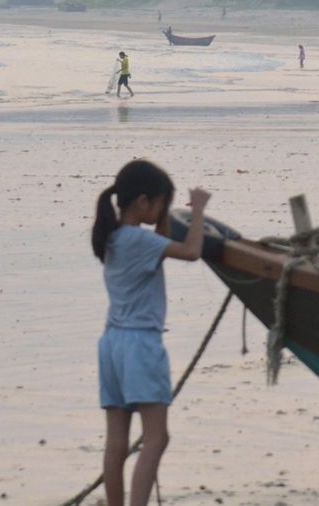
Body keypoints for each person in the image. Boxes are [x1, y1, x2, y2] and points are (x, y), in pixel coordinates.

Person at [92, 160, 211, 506]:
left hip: (111, 343)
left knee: (116, 443)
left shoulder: (114, 236)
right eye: (161, 204)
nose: (163, 212)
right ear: (143, 202)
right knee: (156, 438)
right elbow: (191, 252)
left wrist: (164, 214)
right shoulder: (137, 240)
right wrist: (199, 210)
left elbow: (157, 245)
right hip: (140, 345)